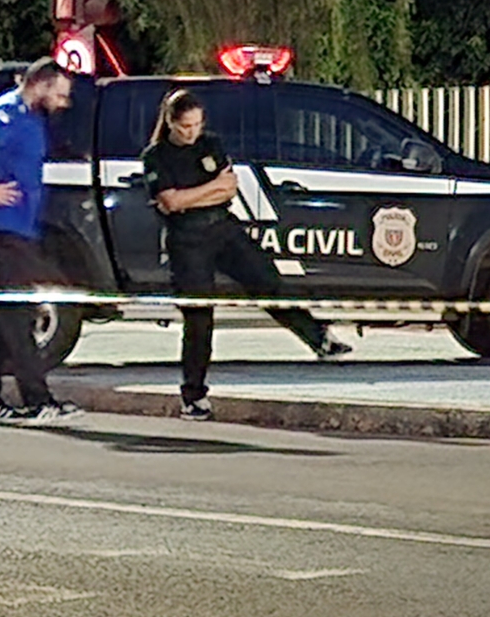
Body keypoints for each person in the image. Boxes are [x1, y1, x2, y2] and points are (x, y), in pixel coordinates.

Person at [142, 89, 350, 421]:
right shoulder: (156, 156)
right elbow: (171, 202)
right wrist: (207, 191)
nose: (191, 132)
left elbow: (230, 187)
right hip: (187, 239)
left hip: (223, 227)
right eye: (184, 127)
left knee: (266, 279)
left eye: (196, 124)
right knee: (199, 317)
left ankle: (318, 337)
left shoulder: (211, 144)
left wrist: (195, 194)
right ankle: (193, 396)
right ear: (170, 123)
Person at [0, 58, 84, 425]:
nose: (64, 103)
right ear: (42, 84)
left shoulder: (31, 119)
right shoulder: (10, 111)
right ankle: (37, 400)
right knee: (18, 312)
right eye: (60, 94)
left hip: (16, 229)